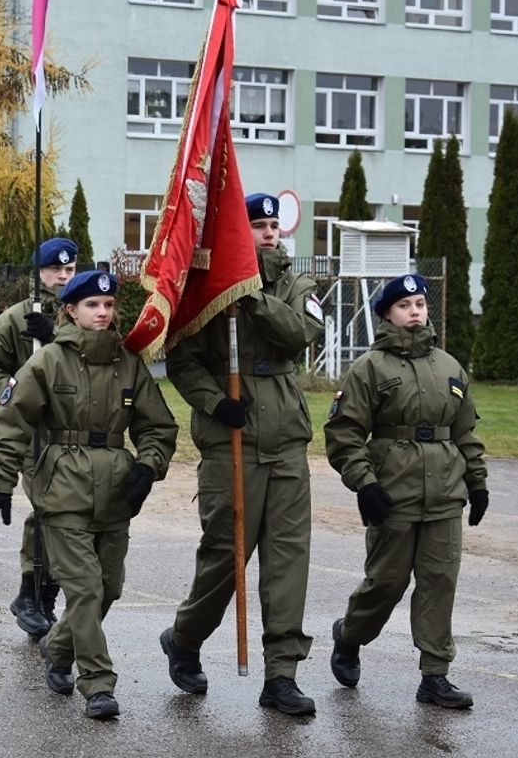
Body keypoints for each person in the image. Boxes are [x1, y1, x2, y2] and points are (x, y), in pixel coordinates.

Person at [0, 270, 178, 719]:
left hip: (115, 493)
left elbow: (158, 426)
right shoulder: (49, 361)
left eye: (109, 306)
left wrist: (148, 466)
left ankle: (57, 646)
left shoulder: (128, 362)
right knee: (86, 589)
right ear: (70, 310)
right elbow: (13, 425)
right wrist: (0, 486)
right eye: (92, 305)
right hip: (62, 490)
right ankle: (97, 684)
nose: (103, 313)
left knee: (109, 588)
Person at [159, 192, 323, 716]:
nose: (269, 233)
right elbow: (182, 360)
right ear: (236, 233)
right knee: (226, 556)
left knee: (288, 560)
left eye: (274, 225)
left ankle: (282, 675)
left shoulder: (295, 284)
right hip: (233, 438)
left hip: (287, 440)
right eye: (257, 225)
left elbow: (302, 334)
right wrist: (213, 401)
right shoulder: (206, 289)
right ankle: (184, 637)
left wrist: (251, 295)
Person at [324, 273, 488, 710]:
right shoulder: (369, 368)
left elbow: (465, 431)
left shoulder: (449, 366)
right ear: (386, 315)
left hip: (444, 494)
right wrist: (365, 483)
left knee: (439, 581)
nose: (415, 311)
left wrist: (478, 482)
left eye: (420, 303)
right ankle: (349, 635)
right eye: (405, 305)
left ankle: (435, 676)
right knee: (387, 583)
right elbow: (344, 434)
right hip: (391, 492)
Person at [0, 237, 78, 638]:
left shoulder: (83, 313)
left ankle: (43, 593)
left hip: (74, 429)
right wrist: (17, 395)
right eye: (56, 270)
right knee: (48, 508)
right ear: (39, 273)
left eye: (69, 270)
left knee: (65, 512)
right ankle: (32, 593)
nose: (63, 276)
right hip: (34, 432)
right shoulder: (16, 319)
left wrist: (56, 336)